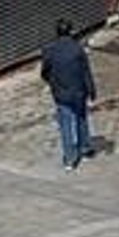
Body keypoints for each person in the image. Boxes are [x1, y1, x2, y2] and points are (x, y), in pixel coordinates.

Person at [39, 18, 96, 170]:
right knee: (81, 119)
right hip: (78, 92)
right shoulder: (78, 49)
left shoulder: (49, 50)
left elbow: (44, 72)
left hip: (60, 93)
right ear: (70, 31)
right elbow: (86, 72)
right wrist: (91, 90)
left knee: (65, 125)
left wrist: (53, 83)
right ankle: (84, 148)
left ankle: (70, 159)